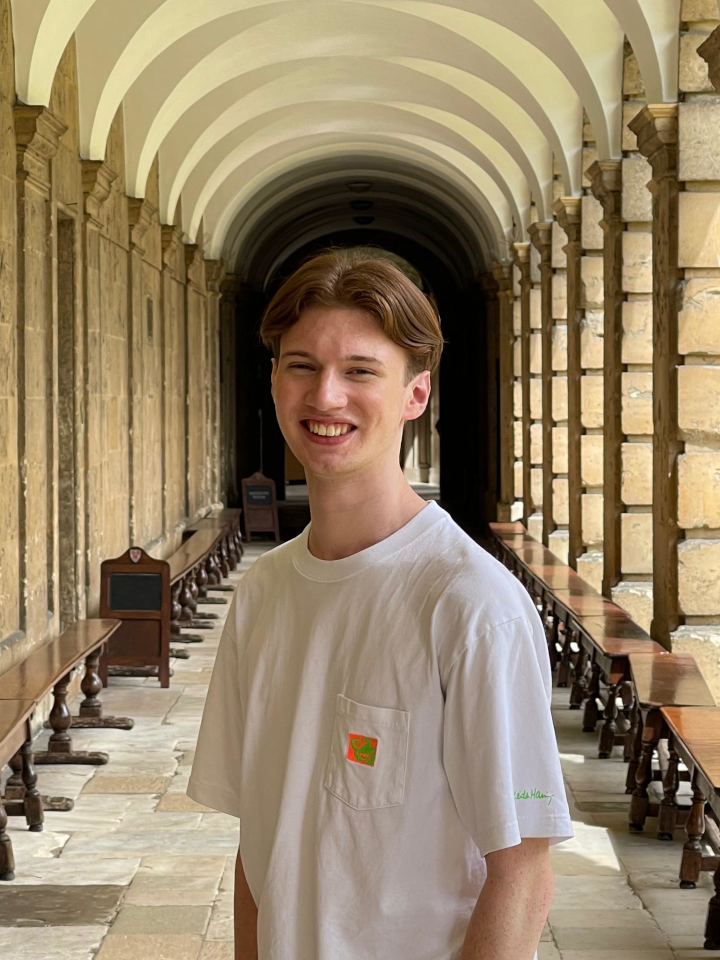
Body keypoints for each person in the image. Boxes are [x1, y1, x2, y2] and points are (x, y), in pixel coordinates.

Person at [187, 250, 573, 960]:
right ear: (274, 382)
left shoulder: (471, 605)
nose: (326, 397)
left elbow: (522, 874)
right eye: (301, 365)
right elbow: (259, 850)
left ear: (415, 395)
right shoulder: (264, 595)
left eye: (360, 371)